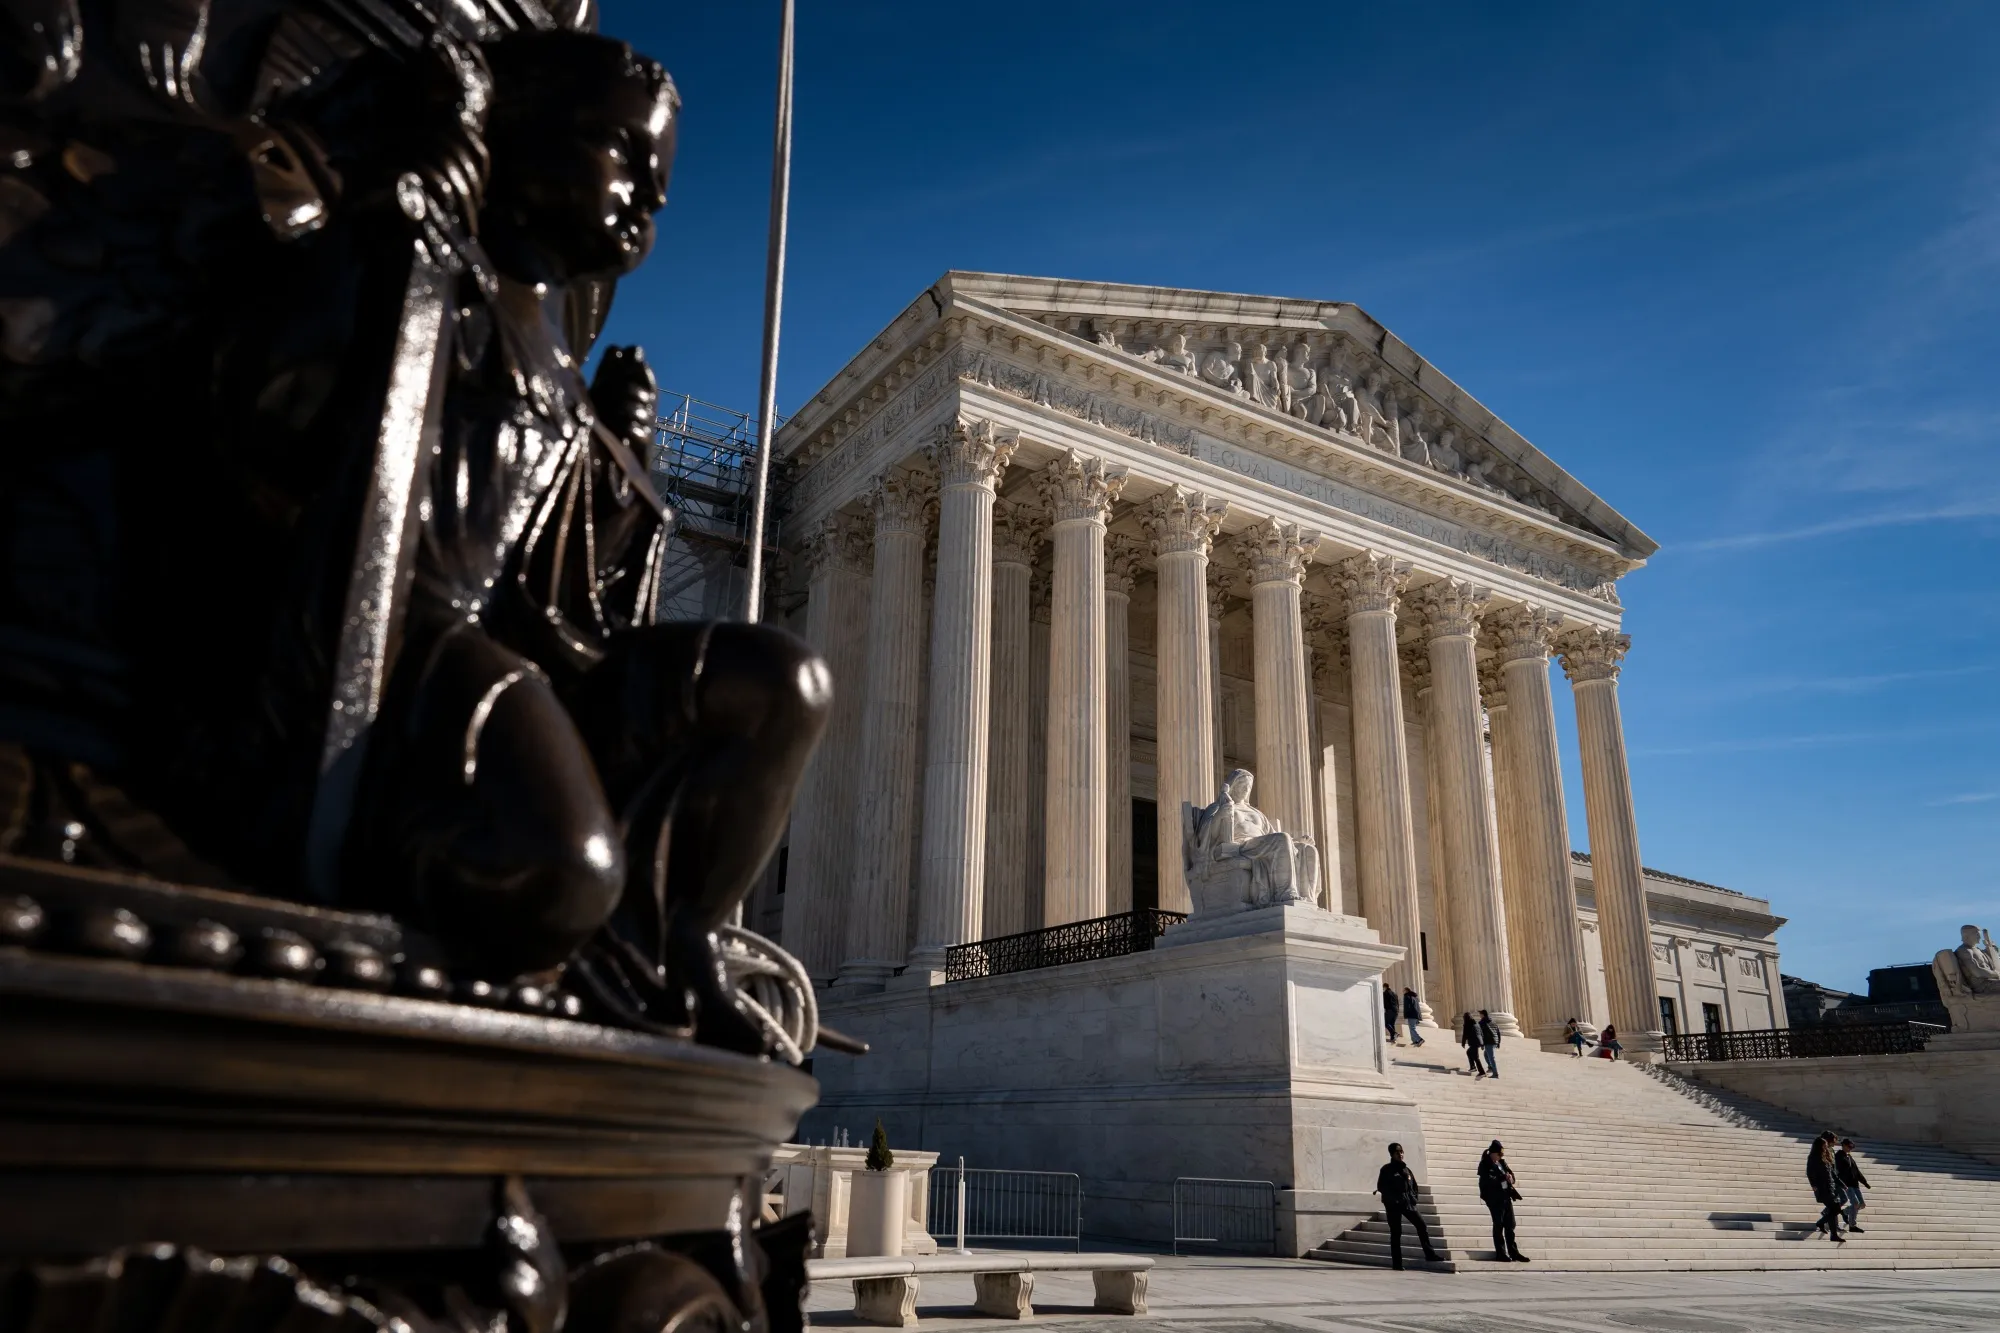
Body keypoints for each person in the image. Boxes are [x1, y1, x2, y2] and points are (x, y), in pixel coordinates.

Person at [1374, 1143, 1442, 1270]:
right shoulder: (1386, 1169)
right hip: (1394, 1205)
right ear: (1392, 1155)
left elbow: (1414, 1186)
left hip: (1408, 1204)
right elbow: (1381, 1187)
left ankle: (1430, 1254)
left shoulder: (1406, 1169)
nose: (1400, 1154)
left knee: (1421, 1225)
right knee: (1396, 1233)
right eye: (1397, 1153)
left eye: (1401, 1152)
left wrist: (1414, 1198)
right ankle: (1397, 1263)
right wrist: (1393, 1200)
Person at [1478, 1141, 1528, 1261]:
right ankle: (1501, 1253)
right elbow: (1487, 1181)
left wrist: (1511, 1177)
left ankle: (1513, 1252)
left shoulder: (1501, 1163)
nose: (1500, 1157)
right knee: (1499, 1225)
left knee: (1510, 1225)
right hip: (1494, 1198)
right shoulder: (1485, 1164)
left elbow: (1510, 1174)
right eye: (1499, 1155)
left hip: (1506, 1196)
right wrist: (1502, 1178)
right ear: (1492, 1153)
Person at [1807, 1133, 1846, 1243]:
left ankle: (1833, 1235)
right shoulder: (1813, 1157)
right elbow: (1809, 1172)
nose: (1826, 1147)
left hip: (1830, 1187)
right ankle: (1822, 1224)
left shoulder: (1826, 1157)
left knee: (1834, 1209)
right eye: (1824, 1145)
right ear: (1819, 1146)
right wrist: (1813, 1185)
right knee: (1835, 1208)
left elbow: (1832, 1174)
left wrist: (1842, 1184)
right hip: (1821, 1188)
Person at [1835, 1137, 1872, 1234]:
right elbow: (1837, 1170)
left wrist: (1864, 1182)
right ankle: (1852, 1225)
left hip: (1855, 1184)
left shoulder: (1850, 1157)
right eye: (1849, 1146)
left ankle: (1844, 1212)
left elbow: (1857, 1171)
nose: (1850, 1148)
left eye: (1852, 1147)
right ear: (1843, 1145)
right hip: (1847, 1184)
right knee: (1855, 1204)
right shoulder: (1839, 1156)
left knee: (1862, 1204)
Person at [1478, 1009, 1501, 1079]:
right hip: (1495, 1041)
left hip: (1489, 1041)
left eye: (1480, 1014)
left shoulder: (1482, 1022)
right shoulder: (1493, 1022)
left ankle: (1495, 1073)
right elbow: (1498, 1032)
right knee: (1486, 1054)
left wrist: (1481, 1044)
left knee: (1491, 1057)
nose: (1479, 1016)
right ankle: (1490, 1067)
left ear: (1482, 1015)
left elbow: (1480, 1034)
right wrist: (1498, 1042)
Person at [1461, 1013, 1484, 1077]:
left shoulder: (1467, 1024)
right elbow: (1481, 1033)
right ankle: (1473, 1067)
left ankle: (1481, 1072)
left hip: (1474, 1042)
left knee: (1476, 1058)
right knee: (1469, 1052)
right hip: (1478, 1042)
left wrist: (1463, 1043)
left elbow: (1464, 1034)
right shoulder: (1476, 1024)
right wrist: (1482, 1044)